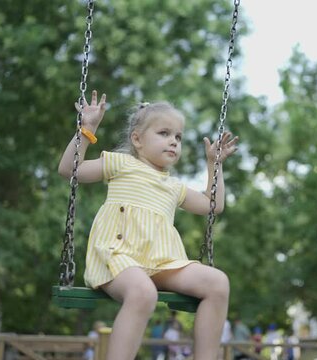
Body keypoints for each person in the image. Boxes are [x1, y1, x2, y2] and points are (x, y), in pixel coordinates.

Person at [58, 90, 238, 360]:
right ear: (137, 140)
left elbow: (213, 205)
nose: (173, 141)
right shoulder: (121, 163)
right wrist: (87, 129)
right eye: (164, 133)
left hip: (161, 261)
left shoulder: (173, 186)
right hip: (118, 255)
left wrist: (214, 165)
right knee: (143, 293)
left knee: (218, 283)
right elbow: (70, 170)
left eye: (178, 136)